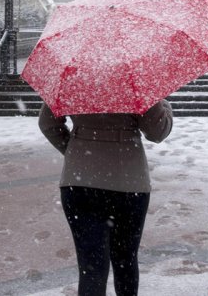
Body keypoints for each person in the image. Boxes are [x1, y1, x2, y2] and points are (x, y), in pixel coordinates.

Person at [38, 100, 173, 296]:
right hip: (128, 181)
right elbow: (157, 132)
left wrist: (75, 150)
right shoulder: (135, 81)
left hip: (80, 182)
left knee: (91, 265)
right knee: (125, 259)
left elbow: (48, 124)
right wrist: (163, 104)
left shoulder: (75, 76)